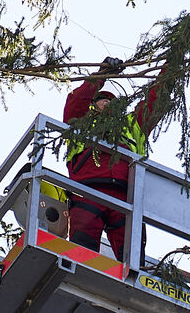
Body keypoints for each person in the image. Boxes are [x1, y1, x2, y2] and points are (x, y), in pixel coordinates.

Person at [63, 56, 160, 258]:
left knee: (133, 261)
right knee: (82, 254)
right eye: (102, 99)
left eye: (111, 101)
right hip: (88, 190)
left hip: (127, 197)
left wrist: (172, 66)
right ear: (93, 105)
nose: (107, 103)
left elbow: (155, 100)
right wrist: (102, 75)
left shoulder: (132, 126)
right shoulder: (80, 122)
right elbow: (77, 100)